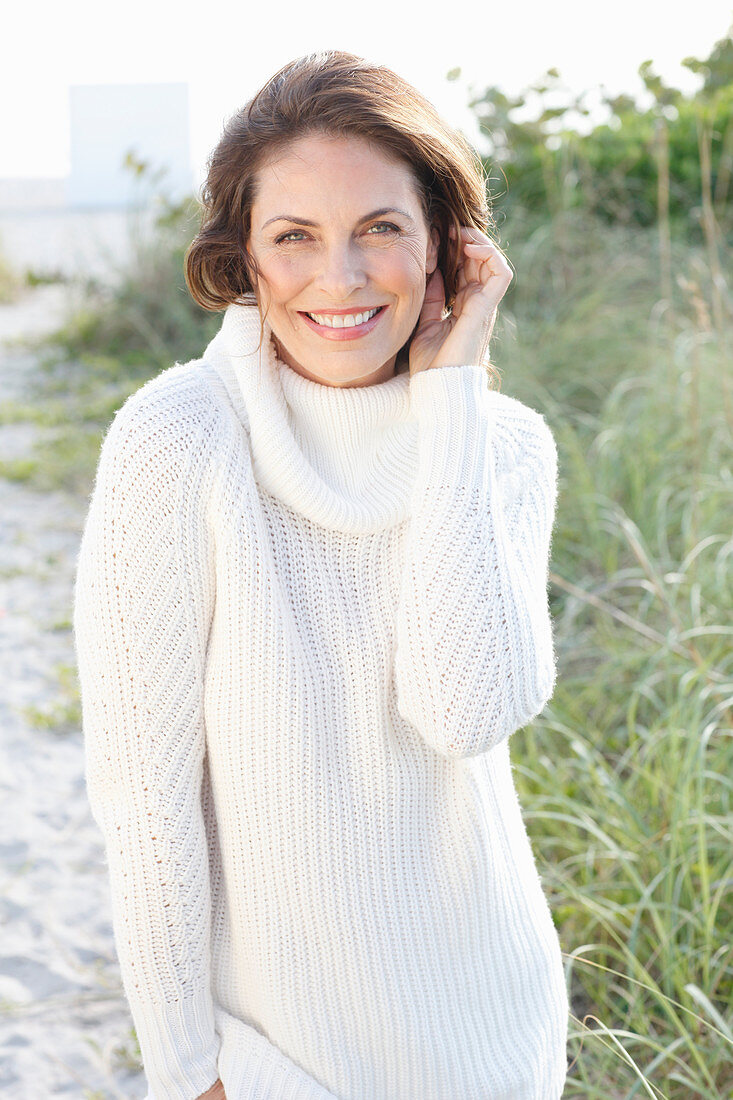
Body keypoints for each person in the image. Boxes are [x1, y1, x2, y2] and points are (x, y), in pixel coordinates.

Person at [73, 49, 569, 1100]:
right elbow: (144, 798)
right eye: (293, 236)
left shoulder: (503, 445)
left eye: (380, 228)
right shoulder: (179, 438)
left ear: (445, 243)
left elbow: (464, 709)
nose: (339, 278)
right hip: (274, 1059)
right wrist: (186, 1067)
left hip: (491, 1041)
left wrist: (452, 403)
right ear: (244, 256)